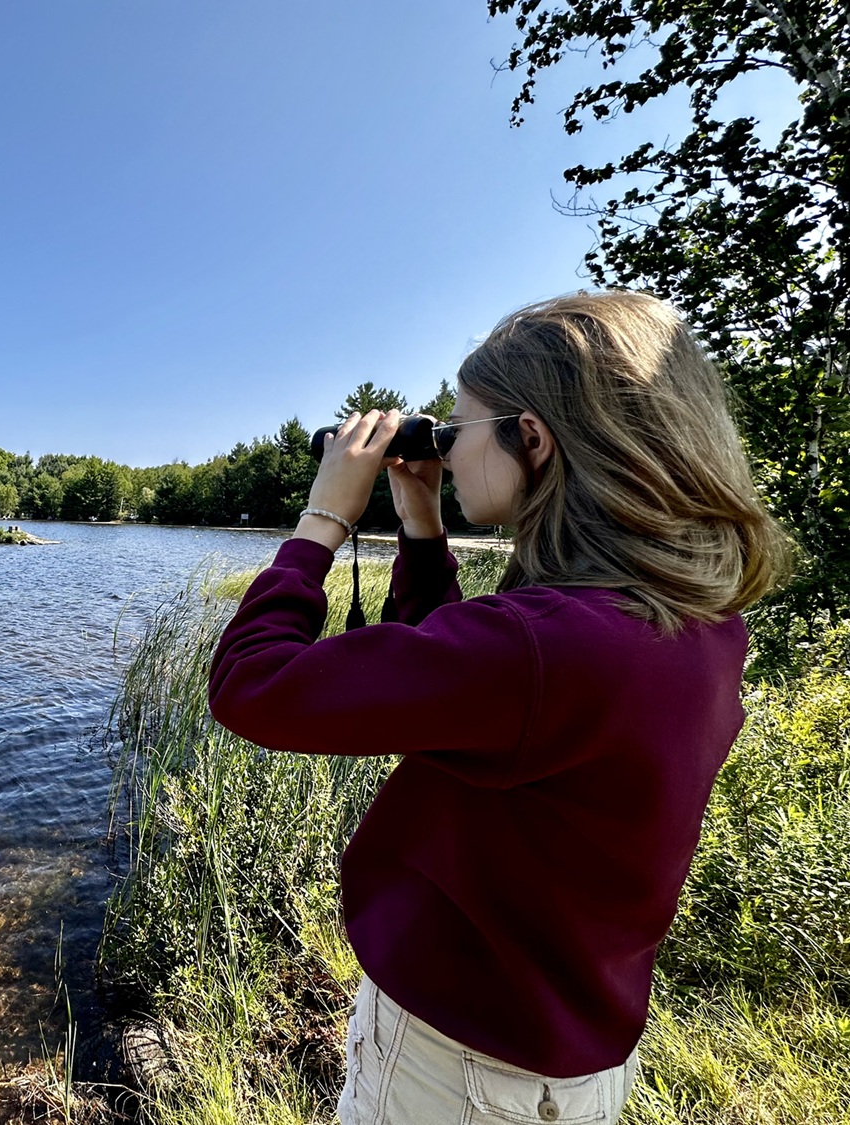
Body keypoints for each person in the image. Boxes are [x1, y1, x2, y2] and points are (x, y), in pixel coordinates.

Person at [206, 291, 791, 1125]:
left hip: (457, 1068)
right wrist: (419, 519)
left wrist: (323, 517)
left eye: (456, 430)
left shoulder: (542, 646)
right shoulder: (693, 622)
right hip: (562, 1056)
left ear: (533, 437)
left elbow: (250, 686)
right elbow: (459, 689)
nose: (442, 448)